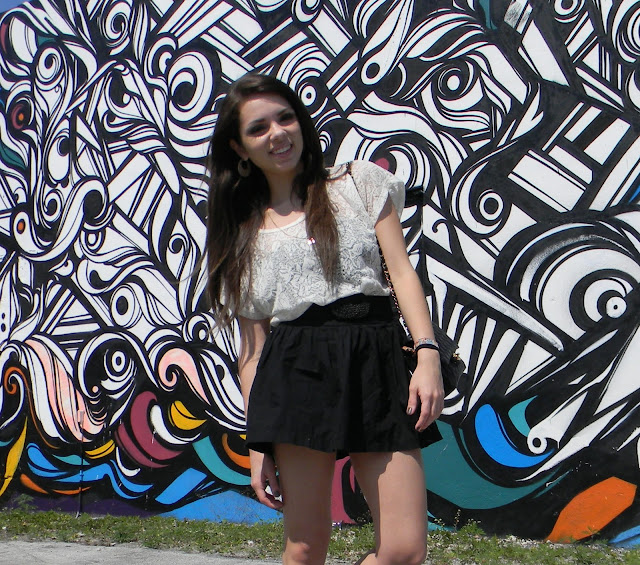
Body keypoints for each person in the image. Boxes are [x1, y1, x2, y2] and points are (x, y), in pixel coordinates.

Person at [205, 72, 444, 565]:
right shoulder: (243, 234)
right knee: (306, 546)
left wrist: (428, 355)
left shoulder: (357, 182)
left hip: (376, 359)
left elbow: (402, 272)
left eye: (285, 118)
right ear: (240, 148)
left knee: (404, 551)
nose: (277, 133)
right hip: (296, 372)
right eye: (258, 128)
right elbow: (253, 350)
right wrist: (258, 442)